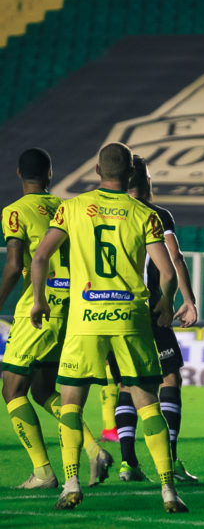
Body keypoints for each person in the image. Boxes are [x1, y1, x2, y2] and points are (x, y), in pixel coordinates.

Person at [30, 142, 187, 513]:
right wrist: (166, 303)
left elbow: (39, 256)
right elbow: (167, 271)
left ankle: (70, 483)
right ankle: (168, 489)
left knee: (71, 402)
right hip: (130, 317)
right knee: (148, 401)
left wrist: (39, 300)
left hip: (85, 318)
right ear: (132, 173)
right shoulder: (144, 214)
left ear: (97, 171)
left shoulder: (71, 208)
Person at [1, 148, 113, 490]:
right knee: (43, 389)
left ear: (19, 174)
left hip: (38, 309)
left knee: (11, 388)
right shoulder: (68, 207)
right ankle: (95, 451)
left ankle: (43, 472)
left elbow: (13, 263)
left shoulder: (15, 212)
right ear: (50, 175)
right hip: (72, 307)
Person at [112, 155, 199, 483]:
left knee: (125, 382)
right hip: (149, 309)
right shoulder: (155, 214)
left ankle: (128, 463)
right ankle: (171, 459)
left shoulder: (105, 212)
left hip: (112, 310)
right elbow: (173, 257)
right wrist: (186, 300)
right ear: (144, 180)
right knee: (169, 380)